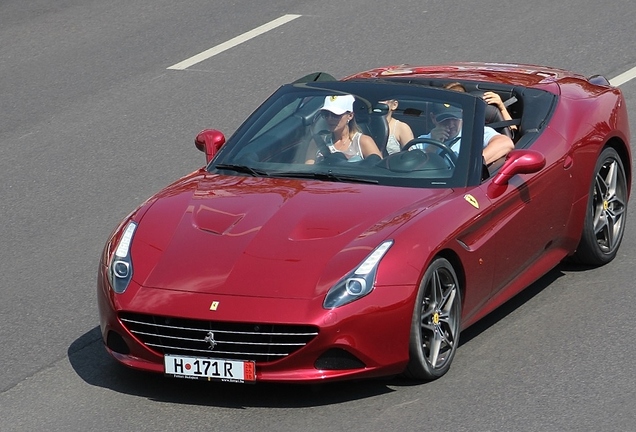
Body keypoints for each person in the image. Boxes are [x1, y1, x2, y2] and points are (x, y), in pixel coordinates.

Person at [415, 102, 514, 165]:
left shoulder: (474, 134)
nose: (451, 124)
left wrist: (473, 166)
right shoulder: (421, 142)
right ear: (433, 118)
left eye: (454, 119)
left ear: (462, 115)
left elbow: (505, 143)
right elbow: (411, 170)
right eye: (444, 120)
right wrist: (432, 146)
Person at [305, 95, 382, 164]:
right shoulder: (316, 142)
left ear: (350, 116)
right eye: (326, 114)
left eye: (335, 115)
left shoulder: (364, 142)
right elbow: (307, 172)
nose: (329, 118)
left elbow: (380, 171)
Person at [443, 82, 517, 132]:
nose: (450, 124)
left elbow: (512, 133)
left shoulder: (481, 131)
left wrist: (502, 108)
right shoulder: (436, 131)